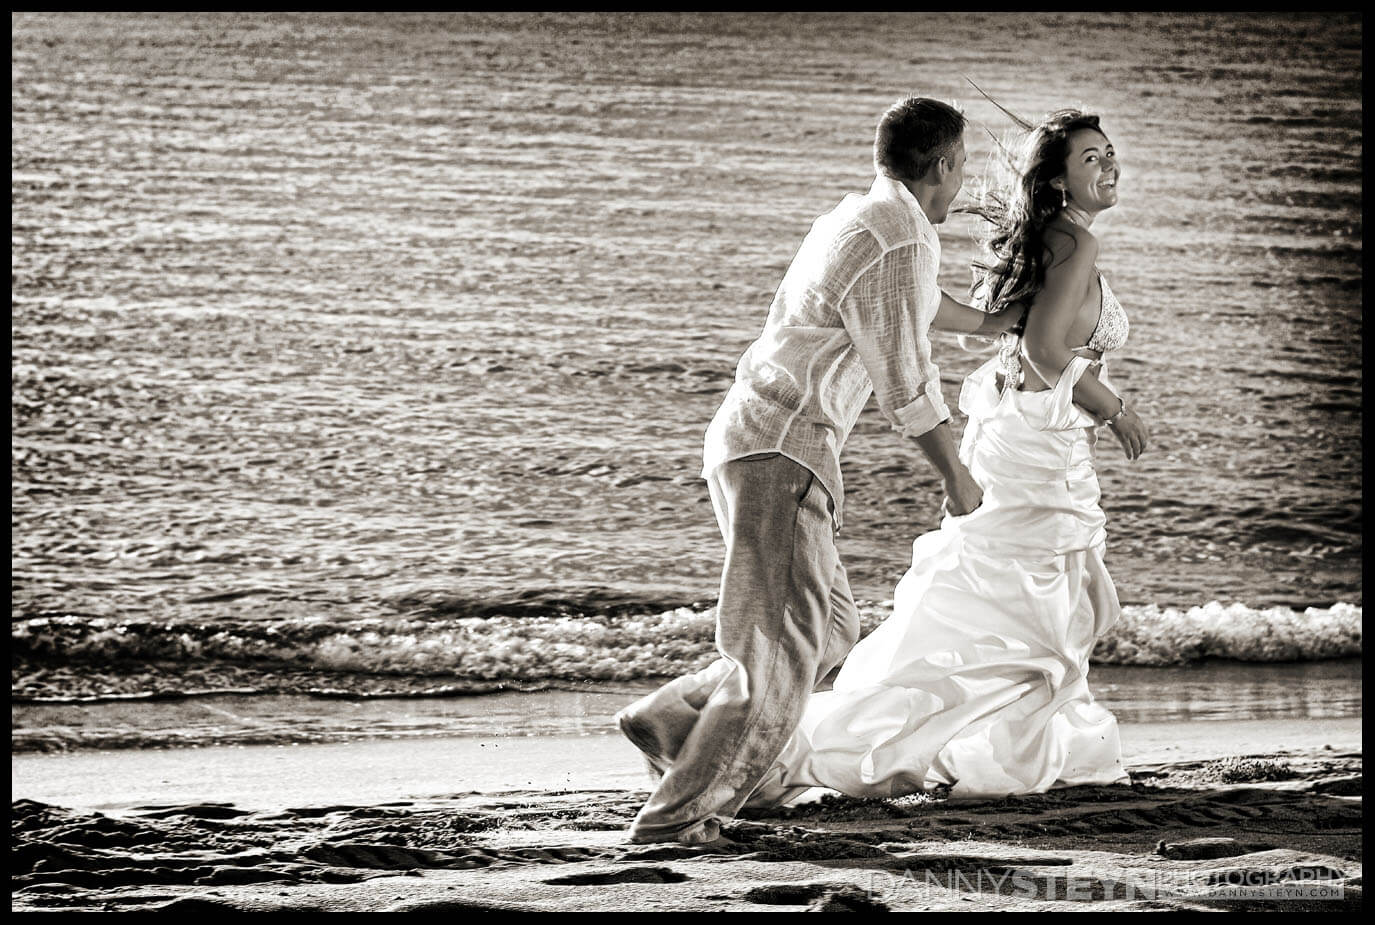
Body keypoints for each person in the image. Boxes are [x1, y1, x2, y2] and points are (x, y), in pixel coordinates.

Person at [614, 96, 1026, 846]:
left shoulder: (859, 217)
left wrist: (992, 323)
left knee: (830, 629)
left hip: (754, 440)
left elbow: (907, 307)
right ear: (943, 166)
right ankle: (679, 818)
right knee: (776, 653)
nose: (963, 179)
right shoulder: (901, 235)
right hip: (783, 450)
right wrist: (954, 476)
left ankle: (671, 720)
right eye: (961, 164)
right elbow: (905, 378)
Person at [745, 108, 1149, 807]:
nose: (1107, 167)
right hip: (1038, 442)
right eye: (1091, 159)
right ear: (1056, 181)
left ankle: (988, 737)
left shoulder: (1055, 237)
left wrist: (998, 329)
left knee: (1014, 603)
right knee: (1033, 607)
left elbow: (983, 328)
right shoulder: (1073, 245)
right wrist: (1113, 407)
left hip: (1022, 432)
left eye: (1110, 155)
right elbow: (1044, 351)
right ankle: (987, 746)